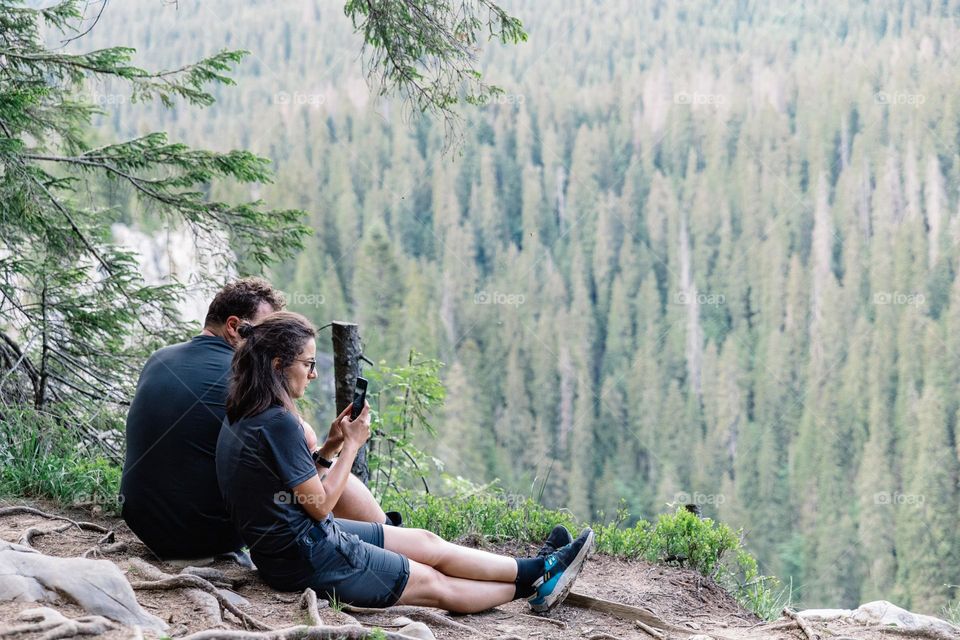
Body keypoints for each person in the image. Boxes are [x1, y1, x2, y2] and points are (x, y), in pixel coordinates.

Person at [215, 311, 594, 612]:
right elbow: (318, 506)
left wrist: (330, 447)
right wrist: (352, 446)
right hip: (308, 555)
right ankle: (535, 582)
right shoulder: (278, 422)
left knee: (425, 542)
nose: (313, 374)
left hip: (295, 545)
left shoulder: (245, 411)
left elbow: (298, 493)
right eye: (308, 364)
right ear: (279, 364)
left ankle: (535, 567)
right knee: (433, 582)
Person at [120, 277, 393, 560]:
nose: (271, 344)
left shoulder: (160, 358)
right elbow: (305, 439)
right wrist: (341, 446)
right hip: (206, 534)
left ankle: (387, 543)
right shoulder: (245, 379)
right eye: (262, 333)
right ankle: (392, 542)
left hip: (145, 524)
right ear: (234, 327)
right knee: (333, 478)